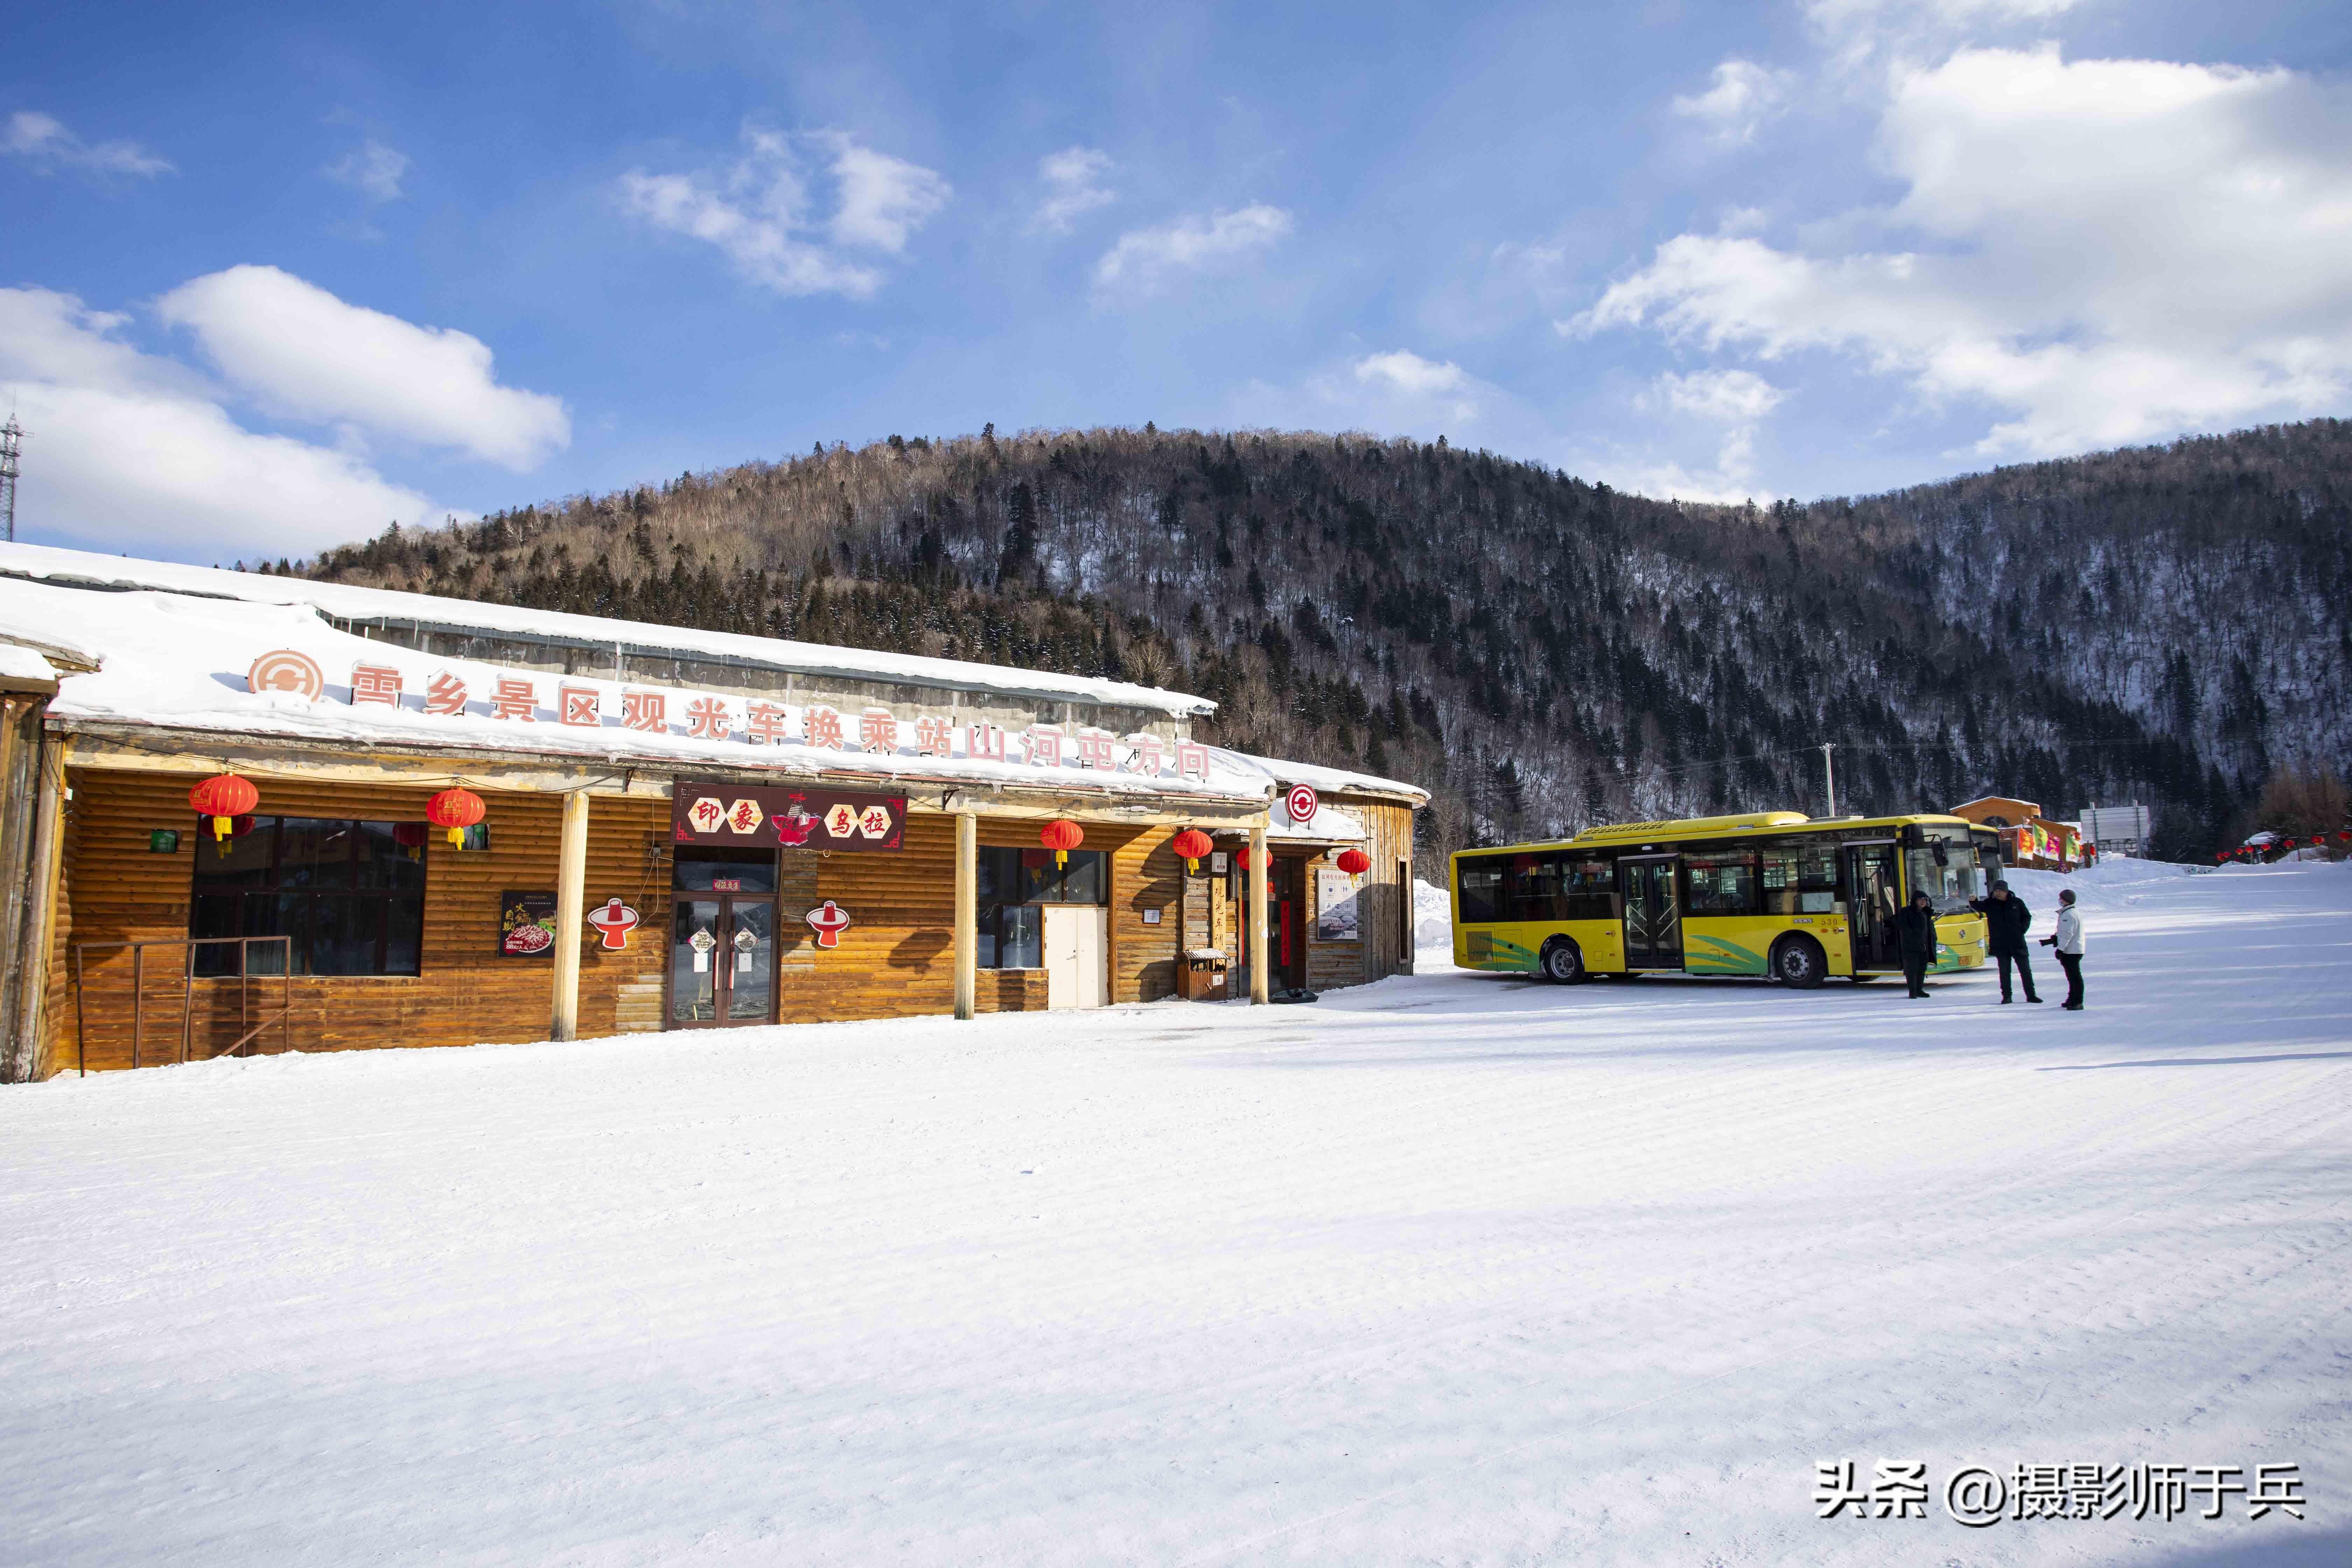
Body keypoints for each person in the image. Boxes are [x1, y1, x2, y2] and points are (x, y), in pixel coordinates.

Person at [1968, 879, 2042, 1003]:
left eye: (2000, 891)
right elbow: (1978, 906)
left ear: (2006, 892)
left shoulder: (2017, 903)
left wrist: (2022, 930)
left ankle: (2031, 995)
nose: (1998, 893)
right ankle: (2007, 996)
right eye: (1996, 891)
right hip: (2000, 944)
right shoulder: (1990, 903)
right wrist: (1973, 901)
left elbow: (2027, 917)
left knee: (2025, 970)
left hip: (2018, 943)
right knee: (2004, 972)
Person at [2041, 887, 2086, 1009]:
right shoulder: (2072, 912)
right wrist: (2053, 939)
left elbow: (2068, 934)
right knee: (2072, 977)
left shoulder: (2068, 915)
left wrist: (2061, 949)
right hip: (2075, 949)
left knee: (2074, 977)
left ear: (2066, 900)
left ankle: (2078, 1002)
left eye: (2061, 898)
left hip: (2071, 951)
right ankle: (2072, 999)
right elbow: (2064, 933)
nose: (2060, 900)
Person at [1896, 890, 1939, 997]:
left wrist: (1933, 938)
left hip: (1925, 946)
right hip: (1912, 947)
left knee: (1922, 969)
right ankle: (1913, 992)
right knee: (1912, 969)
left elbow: (1930, 928)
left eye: (1925, 900)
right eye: (1921, 900)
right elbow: (1905, 929)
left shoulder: (1926, 912)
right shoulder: (1906, 912)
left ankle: (1919, 990)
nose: (1923, 902)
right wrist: (1915, 942)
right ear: (1915, 901)